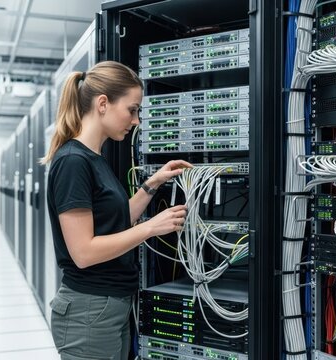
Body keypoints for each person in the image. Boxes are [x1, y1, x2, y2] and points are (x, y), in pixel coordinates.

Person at [42, 61, 191, 360]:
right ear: (102, 104)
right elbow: (83, 252)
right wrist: (150, 228)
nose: (136, 121)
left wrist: (152, 184)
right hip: (89, 311)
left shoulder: (93, 158)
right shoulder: (73, 162)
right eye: (132, 109)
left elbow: (114, 219)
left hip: (107, 307)